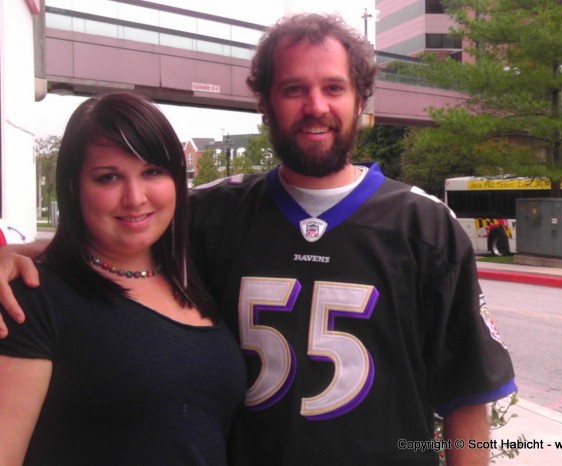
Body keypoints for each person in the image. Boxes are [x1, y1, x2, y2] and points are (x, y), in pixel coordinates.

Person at [0, 14, 515, 466]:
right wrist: (17, 257)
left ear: (361, 99)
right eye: (293, 89)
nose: (316, 106)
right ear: (265, 103)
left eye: (333, 88)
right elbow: (121, 242)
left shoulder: (426, 226)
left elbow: (465, 395)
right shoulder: (211, 213)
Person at [0, 92, 247, 466]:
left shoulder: (200, 279)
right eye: (109, 177)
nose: (135, 198)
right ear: (74, 188)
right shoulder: (31, 301)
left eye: (152, 172)